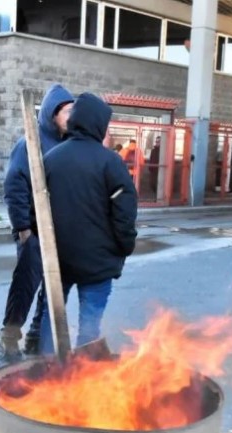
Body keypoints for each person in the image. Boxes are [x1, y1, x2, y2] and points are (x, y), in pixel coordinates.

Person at [38, 92, 137, 354]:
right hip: (98, 262)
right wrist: (124, 247)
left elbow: (35, 209)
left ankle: (48, 368)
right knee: (90, 325)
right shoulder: (111, 162)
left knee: (52, 315)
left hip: (57, 258)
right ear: (98, 124)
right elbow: (124, 214)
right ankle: (83, 376)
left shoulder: (50, 160)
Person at [0, 83, 74, 361]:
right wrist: (23, 229)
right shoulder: (30, 142)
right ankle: (9, 336)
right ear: (53, 114)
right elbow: (14, 185)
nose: (73, 116)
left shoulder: (70, 142)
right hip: (33, 229)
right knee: (25, 286)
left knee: (53, 289)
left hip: (60, 231)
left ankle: (36, 336)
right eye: (68, 111)